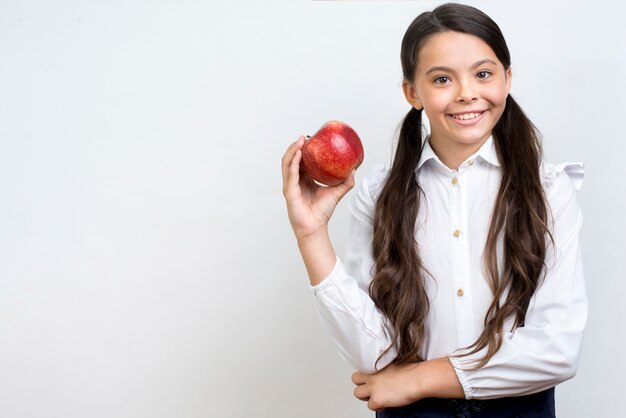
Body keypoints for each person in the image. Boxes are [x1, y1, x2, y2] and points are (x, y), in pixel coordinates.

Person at [281, 3, 586, 417]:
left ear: (507, 78)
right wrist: (311, 235)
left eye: (483, 73)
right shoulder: (380, 193)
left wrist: (417, 378)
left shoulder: (549, 189)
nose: (466, 92)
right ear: (412, 92)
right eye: (442, 78)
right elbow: (374, 354)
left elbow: (558, 348)